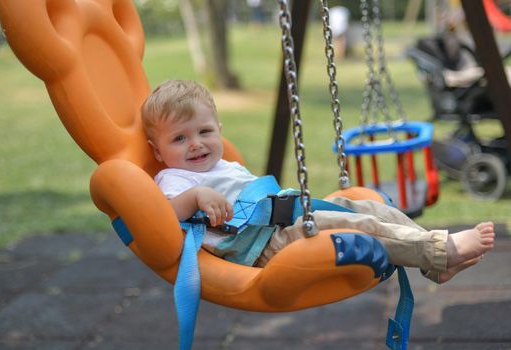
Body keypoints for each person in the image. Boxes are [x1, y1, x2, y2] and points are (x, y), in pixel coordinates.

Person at [141, 79, 495, 284]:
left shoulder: (225, 164)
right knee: (352, 224)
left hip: (283, 220)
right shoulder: (172, 178)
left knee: (368, 207)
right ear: (158, 152)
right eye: (180, 139)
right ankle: (439, 250)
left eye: (204, 131)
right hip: (259, 247)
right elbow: (166, 215)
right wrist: (197, 196)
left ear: (219, 130)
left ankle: (434, 259)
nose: (196, 144)